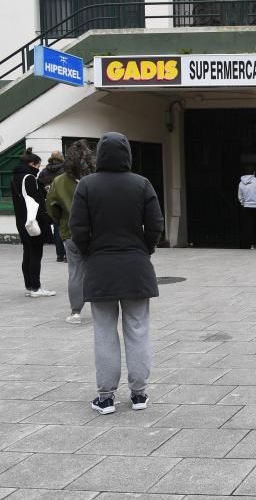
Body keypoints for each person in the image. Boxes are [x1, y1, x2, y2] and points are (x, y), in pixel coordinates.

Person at [70, 132, 163, 415]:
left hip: (101, 267)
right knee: (138, 330)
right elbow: (156, 224)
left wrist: (90, 252)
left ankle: (106, 397)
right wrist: (144, 249)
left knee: (104, 332)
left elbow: (78, 228)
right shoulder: (142, 184)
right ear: (127, 155)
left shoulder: (86, 185)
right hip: (136, 267)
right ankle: (139, 394)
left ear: (100, 155)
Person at [46, 140, 96, 324]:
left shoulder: (58, 181)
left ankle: (76, 312)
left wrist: (61, 221)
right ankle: (102, 306)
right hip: (95, 232)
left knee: (75, 271)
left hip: (71, 231)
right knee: (98, 268)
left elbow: (51, 207)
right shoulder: (95, 179)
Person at [12, 148, 55, 298]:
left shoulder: (15, 177)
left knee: (27, 253)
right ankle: (36, 288)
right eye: (37, 166)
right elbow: (36, 201)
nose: (38, 169)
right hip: (33, 221)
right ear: (31, 163)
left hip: (22, 220)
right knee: (36, 253)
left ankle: (29, 286)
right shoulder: (29, 178)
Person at [38, 151, 67, 262]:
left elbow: (39, 184)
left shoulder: (45, 170)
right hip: (64, 201)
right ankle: (66, 254)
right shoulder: (65, 169)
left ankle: (59, 255)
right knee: (67, 227)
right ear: (61, 158)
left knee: (56, 228)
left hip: (51, 202)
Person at [237, 167, 256, 249]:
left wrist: (244, 203)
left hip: (246, 207)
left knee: (248, 226)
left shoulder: (241, 183)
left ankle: (250, 244)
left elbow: (240, 196)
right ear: (254, 173)